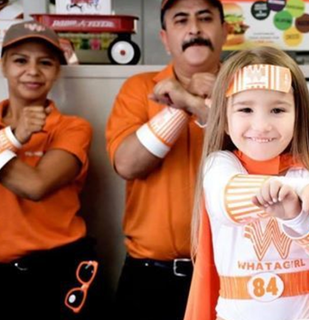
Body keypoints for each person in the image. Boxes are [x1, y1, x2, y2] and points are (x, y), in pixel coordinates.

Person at [184, 46, 309, 320]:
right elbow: (227, 202)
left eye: (278, 110)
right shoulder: (219, 166)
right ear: (223, 118)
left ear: (298, 116)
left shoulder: (308, 173)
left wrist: (301, 213)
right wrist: (300, 197)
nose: (261, 125)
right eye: (245, 108)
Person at [0, 21, 96, 319]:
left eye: (45, 62)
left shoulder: (73, 127)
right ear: (3, 66)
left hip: (60, 269)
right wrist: (12, 135)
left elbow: (35, 186)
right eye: (21, 60)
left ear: (57, 71)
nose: (33, 71)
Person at [104, 0, 227, 318]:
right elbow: (128, 164)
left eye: (204, 18)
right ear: (164, 37)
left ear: (225, 31)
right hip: (149, 277)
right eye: (181, 20)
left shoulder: (247, 88)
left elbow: (261, 159)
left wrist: (192, 100)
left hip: (230, 272)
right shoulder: (140, 89)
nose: (194, 29)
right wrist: (178, 106)